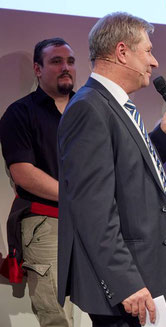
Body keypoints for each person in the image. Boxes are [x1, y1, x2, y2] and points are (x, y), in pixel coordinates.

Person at [57, 12, 166, 326]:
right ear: (121, 52)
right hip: (126, 283)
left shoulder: (113, 103)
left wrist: (161, 138)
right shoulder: (90, 108)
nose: (154, 61)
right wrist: (125, 281)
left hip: (142, 273)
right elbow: (94, 209)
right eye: (147, 51)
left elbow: (124, 171)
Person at [0, 37, 76, 327]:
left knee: (104, 309)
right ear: (37, 69)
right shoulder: (20, 113)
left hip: (93, 222)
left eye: (70, 61)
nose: (65, 67)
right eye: (56, 61)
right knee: (56, 316)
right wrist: (76, 198)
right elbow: (23, 173)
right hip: (46, 222)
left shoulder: (89, 111)